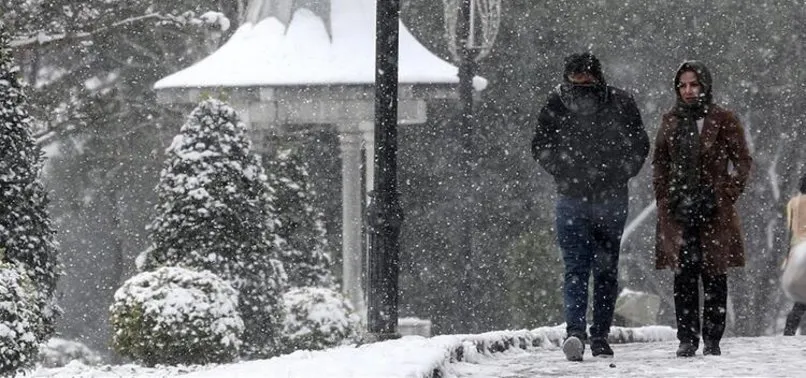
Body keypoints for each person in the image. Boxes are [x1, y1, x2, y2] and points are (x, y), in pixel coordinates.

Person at [531, 52, 649, 361]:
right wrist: (566, 170)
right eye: (576, 76)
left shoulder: (620, 103)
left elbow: (639, 144)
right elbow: (540, 145)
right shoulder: (557, 103)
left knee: (603, 270)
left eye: (585, 75)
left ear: (596, 75)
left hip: (606, 197)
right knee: (579, 268)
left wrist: (618, 171)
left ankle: (597, 334)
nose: (581, 82)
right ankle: (577, 333)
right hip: (574, 197)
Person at [652, 60, 752, 357]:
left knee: (714, 274)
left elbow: (743, 161)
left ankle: (712, 339)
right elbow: (660, 162)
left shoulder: (723, 118)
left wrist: (726, 193)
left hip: (714, 210)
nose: (688, 91)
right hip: (679, 210)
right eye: (682, 85)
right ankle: (687, 338)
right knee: (683, 275)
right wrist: (664, 198)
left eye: (694, 84)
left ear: (704, 85)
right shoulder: (670, 120)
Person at [783, 173, 806, 336]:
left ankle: (789, 331)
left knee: (801, 297)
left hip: (797, 250)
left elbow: (791, 231)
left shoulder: (794, 203)